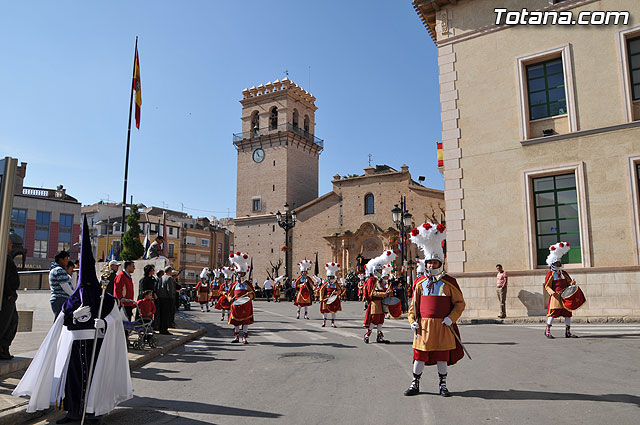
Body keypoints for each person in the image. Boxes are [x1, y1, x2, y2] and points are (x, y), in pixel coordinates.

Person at [12, 216, 132, 422]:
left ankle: (93, 412)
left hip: (97, 345)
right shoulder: (73, 300)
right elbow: (62, 322)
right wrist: (72, 318)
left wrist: (105, 323)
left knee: (95, 379)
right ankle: (74, 411)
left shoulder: (106, 299)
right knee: (73, 380)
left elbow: (116, 321)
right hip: (75, 347)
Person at [405, 222, 465, 397]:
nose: (431, 265)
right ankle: (415, 384)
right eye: (429, 262)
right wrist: (412, 321)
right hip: (424, 327)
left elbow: (460, 304)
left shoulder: (449, 283)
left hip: (443, 326)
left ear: (440, 262)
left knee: (442, 356)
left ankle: (443, 385)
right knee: (419, 356)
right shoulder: (419, 283)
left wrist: (451, 318)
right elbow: (413, 306)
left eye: (434, 262)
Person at [544, 242, 579, 339]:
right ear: (552, 264)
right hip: (556, 297)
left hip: (565, 296)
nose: (558, 264)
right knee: (553, 313)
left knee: (568, 313)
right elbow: (547, 286)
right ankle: (547, 330)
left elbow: (569, 282)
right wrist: (553, 293)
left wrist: (572, 284)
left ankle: (568, 332)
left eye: (559, 263)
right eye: (556, 263)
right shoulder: (550, 274)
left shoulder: (564, 272)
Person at [363, 250, 396, 344]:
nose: (380, 272)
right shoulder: (371, 280)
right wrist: (382, 294)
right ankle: (367, 334)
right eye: (379, 270)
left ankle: (379, 337)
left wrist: (388, 292)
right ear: (374, 270)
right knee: (375, 319)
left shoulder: (380, 280)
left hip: (382, 302)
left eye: (381, 270)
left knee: (381, 320)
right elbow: (371, 293)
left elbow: (382, 290)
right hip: (375, 303)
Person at [228, 252, 255, 344]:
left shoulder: (248, 284)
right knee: (236, 322)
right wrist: (230, 299)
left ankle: (244, 337)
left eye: (242, 273)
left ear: (244, 274)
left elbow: (253, 295)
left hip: (246, 305)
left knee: (245, 322)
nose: (240, 275)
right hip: (236, 305)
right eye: (239, 273)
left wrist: (249, 295)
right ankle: (236, 337)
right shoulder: (234, 284)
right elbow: (229, 294)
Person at [1, 234, 20, 360]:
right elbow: (5, 277)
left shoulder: (7, 258)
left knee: (12, 321)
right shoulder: (5, 259)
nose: (11, 246)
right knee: (6, 323)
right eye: (10, 244)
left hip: (10, 295)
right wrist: (8, 293)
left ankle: (3, 347)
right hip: (7, 296)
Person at [49, 250, 73, 320]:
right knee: (59, 322)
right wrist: (74, 296)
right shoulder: (59, 270)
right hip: (61, 299)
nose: (67, 261)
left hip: (57, 299)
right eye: (66, 259)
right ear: (60, 260)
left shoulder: (54, 269)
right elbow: (65, 287)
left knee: (59, 321)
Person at [319, 263, 343, 327]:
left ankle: (333, 323)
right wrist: (321, 298)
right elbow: (322, 290)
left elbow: (340, 290)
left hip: (333, 298)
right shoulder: (325, 283)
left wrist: (336, 293)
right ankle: (324, 322)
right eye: (329, 277)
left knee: (333, 311)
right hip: (326, 298)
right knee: (325, 311)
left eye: (331, 277)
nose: (330, 278)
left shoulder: (335, 283)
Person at [155, 266, 175, 335]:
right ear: (170, 271)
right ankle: (164, 329)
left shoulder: (161, 277)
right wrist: (172, 298)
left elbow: (158, 288)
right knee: (166, 315)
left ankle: (161, 328)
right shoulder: (169, 278)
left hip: (161, 298)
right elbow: (169, 289)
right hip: (167, 298)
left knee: (161, 314)